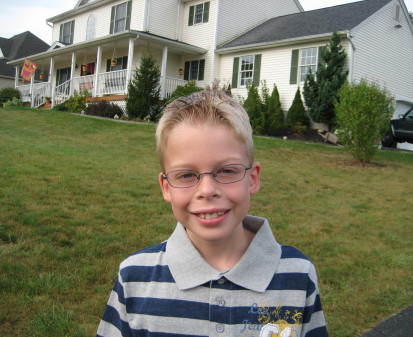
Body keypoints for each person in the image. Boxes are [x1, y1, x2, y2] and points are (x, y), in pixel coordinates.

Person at [96, 88, 328, 337]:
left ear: (252, 178)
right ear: (166, 187)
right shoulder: (134, 278)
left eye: (227, 171)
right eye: (186, 175)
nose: (207, 190)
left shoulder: (297, 276)